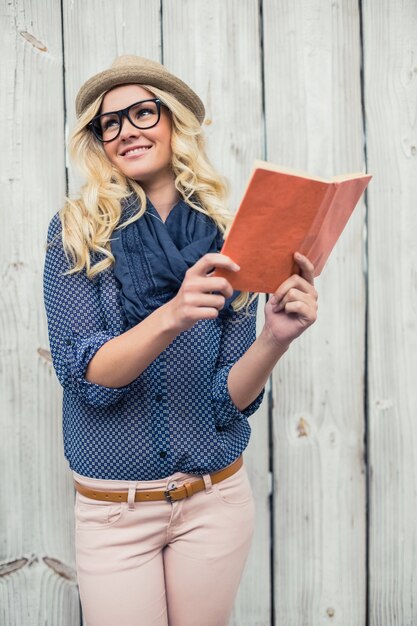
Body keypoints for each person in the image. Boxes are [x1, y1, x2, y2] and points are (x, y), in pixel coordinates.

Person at [43, 55, 318, 626]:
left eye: (142, 112)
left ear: (174, 123)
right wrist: (172, 313)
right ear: (99, 141)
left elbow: (227, 397)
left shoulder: (230, 235)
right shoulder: (76, 231)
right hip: (116, 513)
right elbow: (85, 373)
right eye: (109, 123)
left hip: (214, 502)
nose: (127, 131)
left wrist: (274, 338)